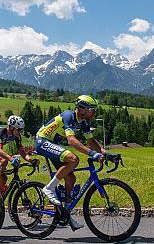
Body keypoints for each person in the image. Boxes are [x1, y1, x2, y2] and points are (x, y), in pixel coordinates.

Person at [36, 95, 107, 231]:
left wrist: (105, 153)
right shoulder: (68, 116)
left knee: (71, 178)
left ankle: (66, 214)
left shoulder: (84, 122)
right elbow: (72, 141)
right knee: (74, 159)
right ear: (81, 109)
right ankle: (49, 188)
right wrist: (93, 154)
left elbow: (91, 141)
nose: (94, 113)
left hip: (53, 144)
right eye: (92, 109)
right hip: (43, 141)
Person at [0, 115, 33, 195]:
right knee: (4, 160)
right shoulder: (2, 132)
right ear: (11, 127)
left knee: (4, 178)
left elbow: (22, 152)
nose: (20, 132)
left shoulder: (16, 136)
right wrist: (11, 159)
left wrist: (31, 160)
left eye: (21, 130)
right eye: (19, 129)